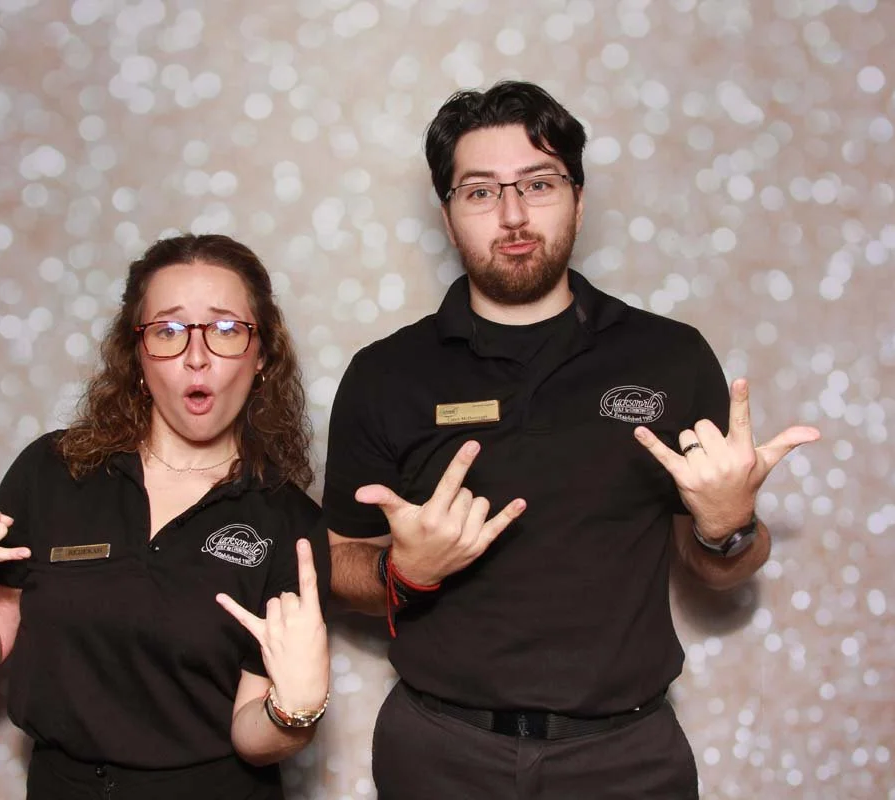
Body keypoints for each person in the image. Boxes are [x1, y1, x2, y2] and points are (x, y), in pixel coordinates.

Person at [323, 81, 821, 798]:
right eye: (481, 191)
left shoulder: (670, 358)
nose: (515, 214)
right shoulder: (385, 373)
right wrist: (406, 572)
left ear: (579, 199)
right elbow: (337, 561)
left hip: (627, 757)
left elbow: (722, 568)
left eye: (539, 183)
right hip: (439, 752)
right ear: (447, 214)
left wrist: (728, 528)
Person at [0, 234, 331, 799]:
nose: (197, 354)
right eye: (168, 330)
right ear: (137, 358)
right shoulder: (55, 472)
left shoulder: (288, 520)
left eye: (227, 329)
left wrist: (293, 713)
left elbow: (252, 735)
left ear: (262, 358)